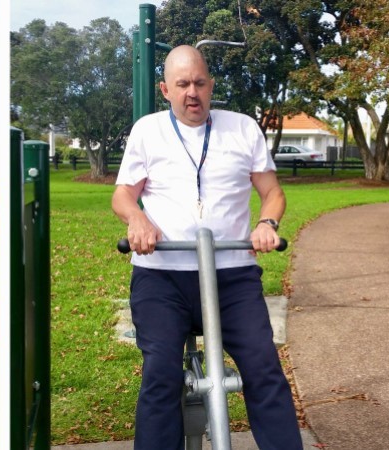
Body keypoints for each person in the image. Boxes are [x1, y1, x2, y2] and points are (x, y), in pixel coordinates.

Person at [111, 46, 302, 449]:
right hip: (163, 278)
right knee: (161, 374)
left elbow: (272, 193)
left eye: (199, 83)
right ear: (165, 89)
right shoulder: (147, 130)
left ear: (211, 85)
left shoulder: (242, 128)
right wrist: (137, 219)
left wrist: (267, 223)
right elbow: (123, 195)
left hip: (232, 276)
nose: (192, 93)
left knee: (263, 367)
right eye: (182, 84)